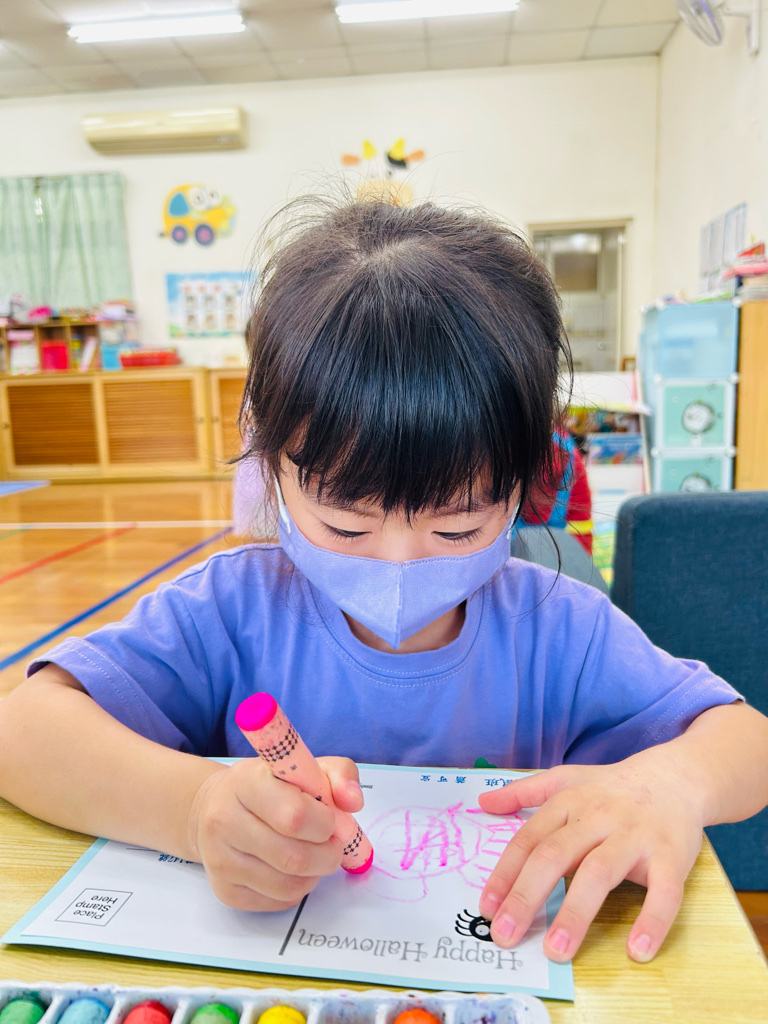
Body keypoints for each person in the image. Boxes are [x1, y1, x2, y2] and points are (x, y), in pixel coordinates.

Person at [0, 197, 766, 970]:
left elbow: (747, 741)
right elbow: (20, 729)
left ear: (525, 484)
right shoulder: (227, 611)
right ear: (271, 468)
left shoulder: (561, 629)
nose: (398, 565)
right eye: (345, 525)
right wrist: (195, 808)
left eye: (457, 529)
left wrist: (670, 783)